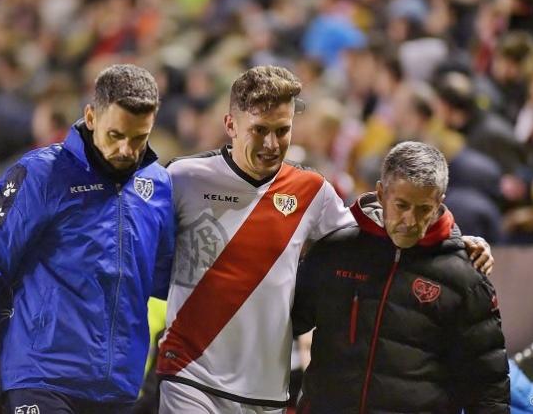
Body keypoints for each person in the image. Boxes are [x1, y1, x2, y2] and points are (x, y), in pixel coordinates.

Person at [156, 66, 494, 414]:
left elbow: (385, 231)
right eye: (259, 130)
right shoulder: (183, 179)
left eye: (282, 131)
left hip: (265, 389)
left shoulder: (312, 192)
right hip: (188, 373)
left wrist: (453, 240)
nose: (272, 144)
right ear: (230, 125)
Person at [0, 64, 176, 413]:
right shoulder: (40, 176)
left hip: (120, 389)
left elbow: (167, 281)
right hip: (42, 378)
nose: (127, 150)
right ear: (90, 117)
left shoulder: (158, 187)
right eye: (115, 135)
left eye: (139, 139)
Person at [292, 141, 510, 413]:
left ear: (439, 202)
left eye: (423, 209)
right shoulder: (336, 250)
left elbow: (488, 386)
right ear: (381, 193)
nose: (410, 220)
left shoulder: (466, 277)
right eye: (402, 205)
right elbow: (284, 323)